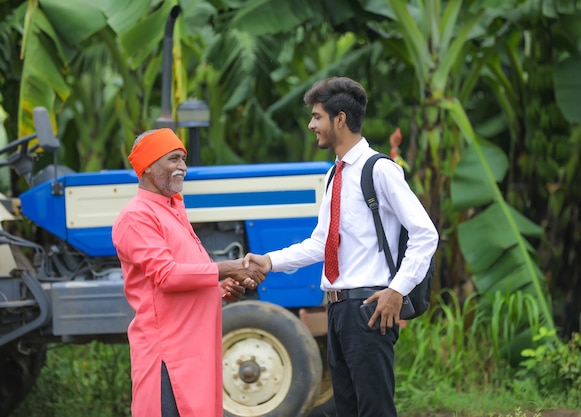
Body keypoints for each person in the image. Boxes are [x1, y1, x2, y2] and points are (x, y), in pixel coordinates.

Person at [244, 77, 439, 417]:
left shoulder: (380, 170)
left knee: (375, 410)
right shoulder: (335, 175)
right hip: (336, 310)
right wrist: (268, 261)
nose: (311, 125)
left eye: (317, 116)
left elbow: (426, 234)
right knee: (346, 410)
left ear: (340, 119)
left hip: (369, 308)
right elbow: (321, 244)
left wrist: (396, 290)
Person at [112, 128, 265, 417]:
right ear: (147, 166)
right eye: (173, 159)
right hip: (168, 357)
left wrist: (221, 288)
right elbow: (167, 276)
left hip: (194, 355)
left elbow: (188, 275)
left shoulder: (174, 210)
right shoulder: (137, 216)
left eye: (183, 159)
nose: (183, 167)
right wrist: (227, 268)